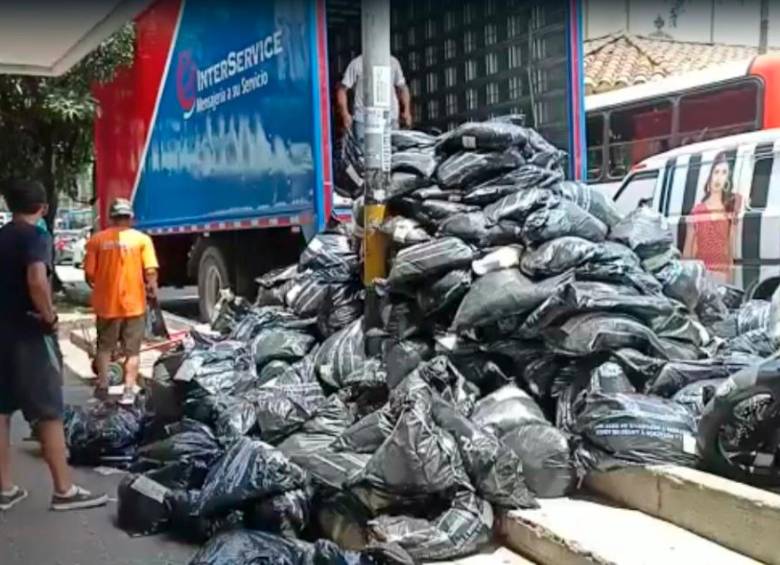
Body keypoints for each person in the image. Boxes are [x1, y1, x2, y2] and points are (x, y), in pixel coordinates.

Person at [0, 179, 108, 512]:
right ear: (43, 208)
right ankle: (64, 489)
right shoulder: (36, 237)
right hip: (29, 336)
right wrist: (48, 316)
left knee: (1, 411)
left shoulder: (2, 236)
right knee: (49, 412)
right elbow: (36, 279)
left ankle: (4, 488)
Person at [84, 198, 159, 406]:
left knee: (104, 347)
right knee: (132, 350)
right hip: (134, 305)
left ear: (111, 217)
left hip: (106, 305)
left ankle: (103, 387)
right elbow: (150, 270)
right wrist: (151, 286)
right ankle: (128, 391)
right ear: (130, 217)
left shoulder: (97, 240)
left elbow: (89, 273)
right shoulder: (142, 240)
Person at [683, 151, 744, 283]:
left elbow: (730, 247)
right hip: (702, 274)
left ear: (728, 178)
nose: (718, 178)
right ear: (710, 175)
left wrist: (730, 277)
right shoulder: (697, 211)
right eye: (716, 172)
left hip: (722, 273)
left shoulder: (730, 209)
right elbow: (689, 250)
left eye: (724, 173)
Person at [335, 54, 412, 143]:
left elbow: (402, 87)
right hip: (363, 118)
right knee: (364, 153)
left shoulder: (393, 62)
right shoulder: (357, 63)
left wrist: (407, 111)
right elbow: (342, 89)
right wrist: (345, 114)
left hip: (389, 117)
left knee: (391, 152)